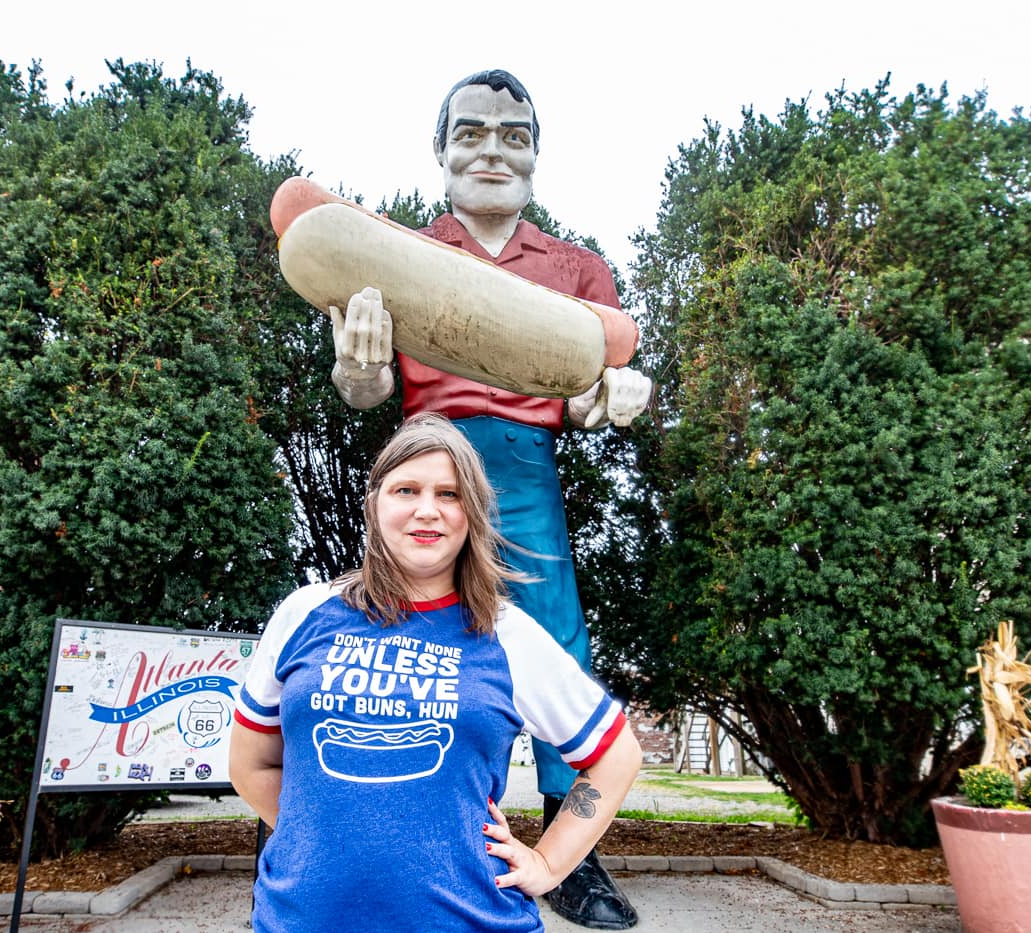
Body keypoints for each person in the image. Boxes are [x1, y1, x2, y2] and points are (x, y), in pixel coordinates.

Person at [327, 68, 652, 928]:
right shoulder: (395, 251)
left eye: (514, 136)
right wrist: (357, 366)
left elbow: (591, 391)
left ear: (537, 156)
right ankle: (410, 833)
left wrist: (613, 395)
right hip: (429, 452)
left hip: (524, 464)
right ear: (440, 152)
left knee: (552, 635)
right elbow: (365, 392)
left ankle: (569, 857)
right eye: (471, 133)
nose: (493, 151)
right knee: (408, 636)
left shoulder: (578, 268)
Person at [230, 413, 642, 933]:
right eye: (407, 489)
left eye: (450, 494)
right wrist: (315, 835)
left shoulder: (508, 634)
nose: (428, 511)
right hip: (298, 921)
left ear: (472, 513)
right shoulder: (304, 612)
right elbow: (251, 765)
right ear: (376, 501)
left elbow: (616, 755)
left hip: (471, 919)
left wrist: (549, 864)